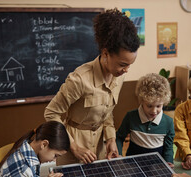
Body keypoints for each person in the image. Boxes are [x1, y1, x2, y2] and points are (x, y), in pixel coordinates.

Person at [44, 8, 140, 165]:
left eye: (130, 65)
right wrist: (73, 147)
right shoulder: (80, 79)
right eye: (123, 64)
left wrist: (110, 138)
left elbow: (106, 111)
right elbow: (51, 113)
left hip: (99, 149)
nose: (126, 70)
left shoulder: (119, 77)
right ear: (105, 53)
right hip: (72, 148)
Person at [116, 73, 175, 167]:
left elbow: (169, 147)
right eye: (149, 106)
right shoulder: (131, 117)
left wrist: (169, 161)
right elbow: (119, 137)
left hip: (156, 167)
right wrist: (118, 154)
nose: (154, 111)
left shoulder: (168, 122)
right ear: (141, 101)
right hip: (132, 165)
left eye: (159, 106)